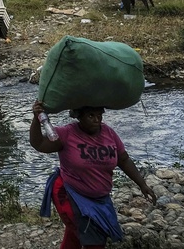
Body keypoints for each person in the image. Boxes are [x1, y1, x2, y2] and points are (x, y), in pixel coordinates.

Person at [30, 101, 157, 249]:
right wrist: (36, 118)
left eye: (99, 115)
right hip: (69, 192)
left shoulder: (109, 133)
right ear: (79, 116)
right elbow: (38, 144)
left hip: (100, 199)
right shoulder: (67, 133)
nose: (97, 120)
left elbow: (123, 160)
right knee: (91, 233)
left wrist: (142, 184)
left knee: (76, 234)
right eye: (91, 115)